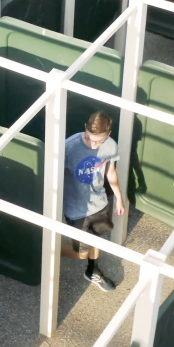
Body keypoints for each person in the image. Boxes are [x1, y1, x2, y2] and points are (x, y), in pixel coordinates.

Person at [62, 111, 125, 292]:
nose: (93, 145)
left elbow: (110, 172)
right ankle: (44, 248)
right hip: (76, 208)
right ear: (85, 129)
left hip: (100, 204)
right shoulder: (69, 147)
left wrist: (119, 199)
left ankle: (93, 270)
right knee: (81, 252)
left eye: (99, 141)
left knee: (97, 240)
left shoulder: (111, 145)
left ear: (108, 134)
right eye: (90, 139)